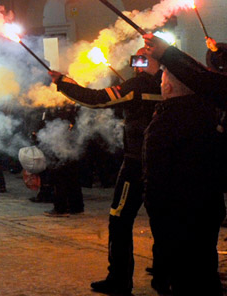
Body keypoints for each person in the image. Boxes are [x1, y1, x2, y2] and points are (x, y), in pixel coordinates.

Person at [48, 50, 161, 296]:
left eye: (142, 57)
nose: (136, 62)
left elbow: (96, 99)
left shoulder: (139, 85)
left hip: (136, 163)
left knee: (119, 219)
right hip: (164, 163)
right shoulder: (170, 83)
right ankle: (165, 276)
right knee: (162, 219)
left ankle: (119, 279)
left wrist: (64, 83)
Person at [139, 34, 224, 295]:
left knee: (185, 278)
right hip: (208, 207)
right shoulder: (207, 114)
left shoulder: (167, 122)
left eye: (162, 80)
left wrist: (154, 209)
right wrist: (167, 55)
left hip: (176, 212)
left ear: (168, 88)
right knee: (204, 269)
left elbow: (156, 177)